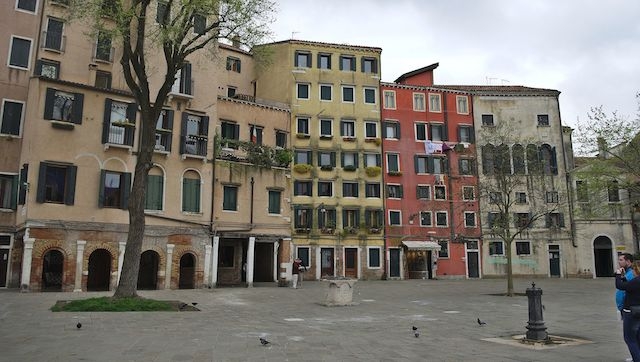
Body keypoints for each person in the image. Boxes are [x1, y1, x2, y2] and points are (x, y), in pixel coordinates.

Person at [615, 260, 640, 362]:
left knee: (629, 338)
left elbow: (620, 286)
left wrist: (617, 275)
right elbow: (628, 286)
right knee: (638, 336)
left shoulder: (637, 280)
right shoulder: (635, 282)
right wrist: (624, 278)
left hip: (631, 311)